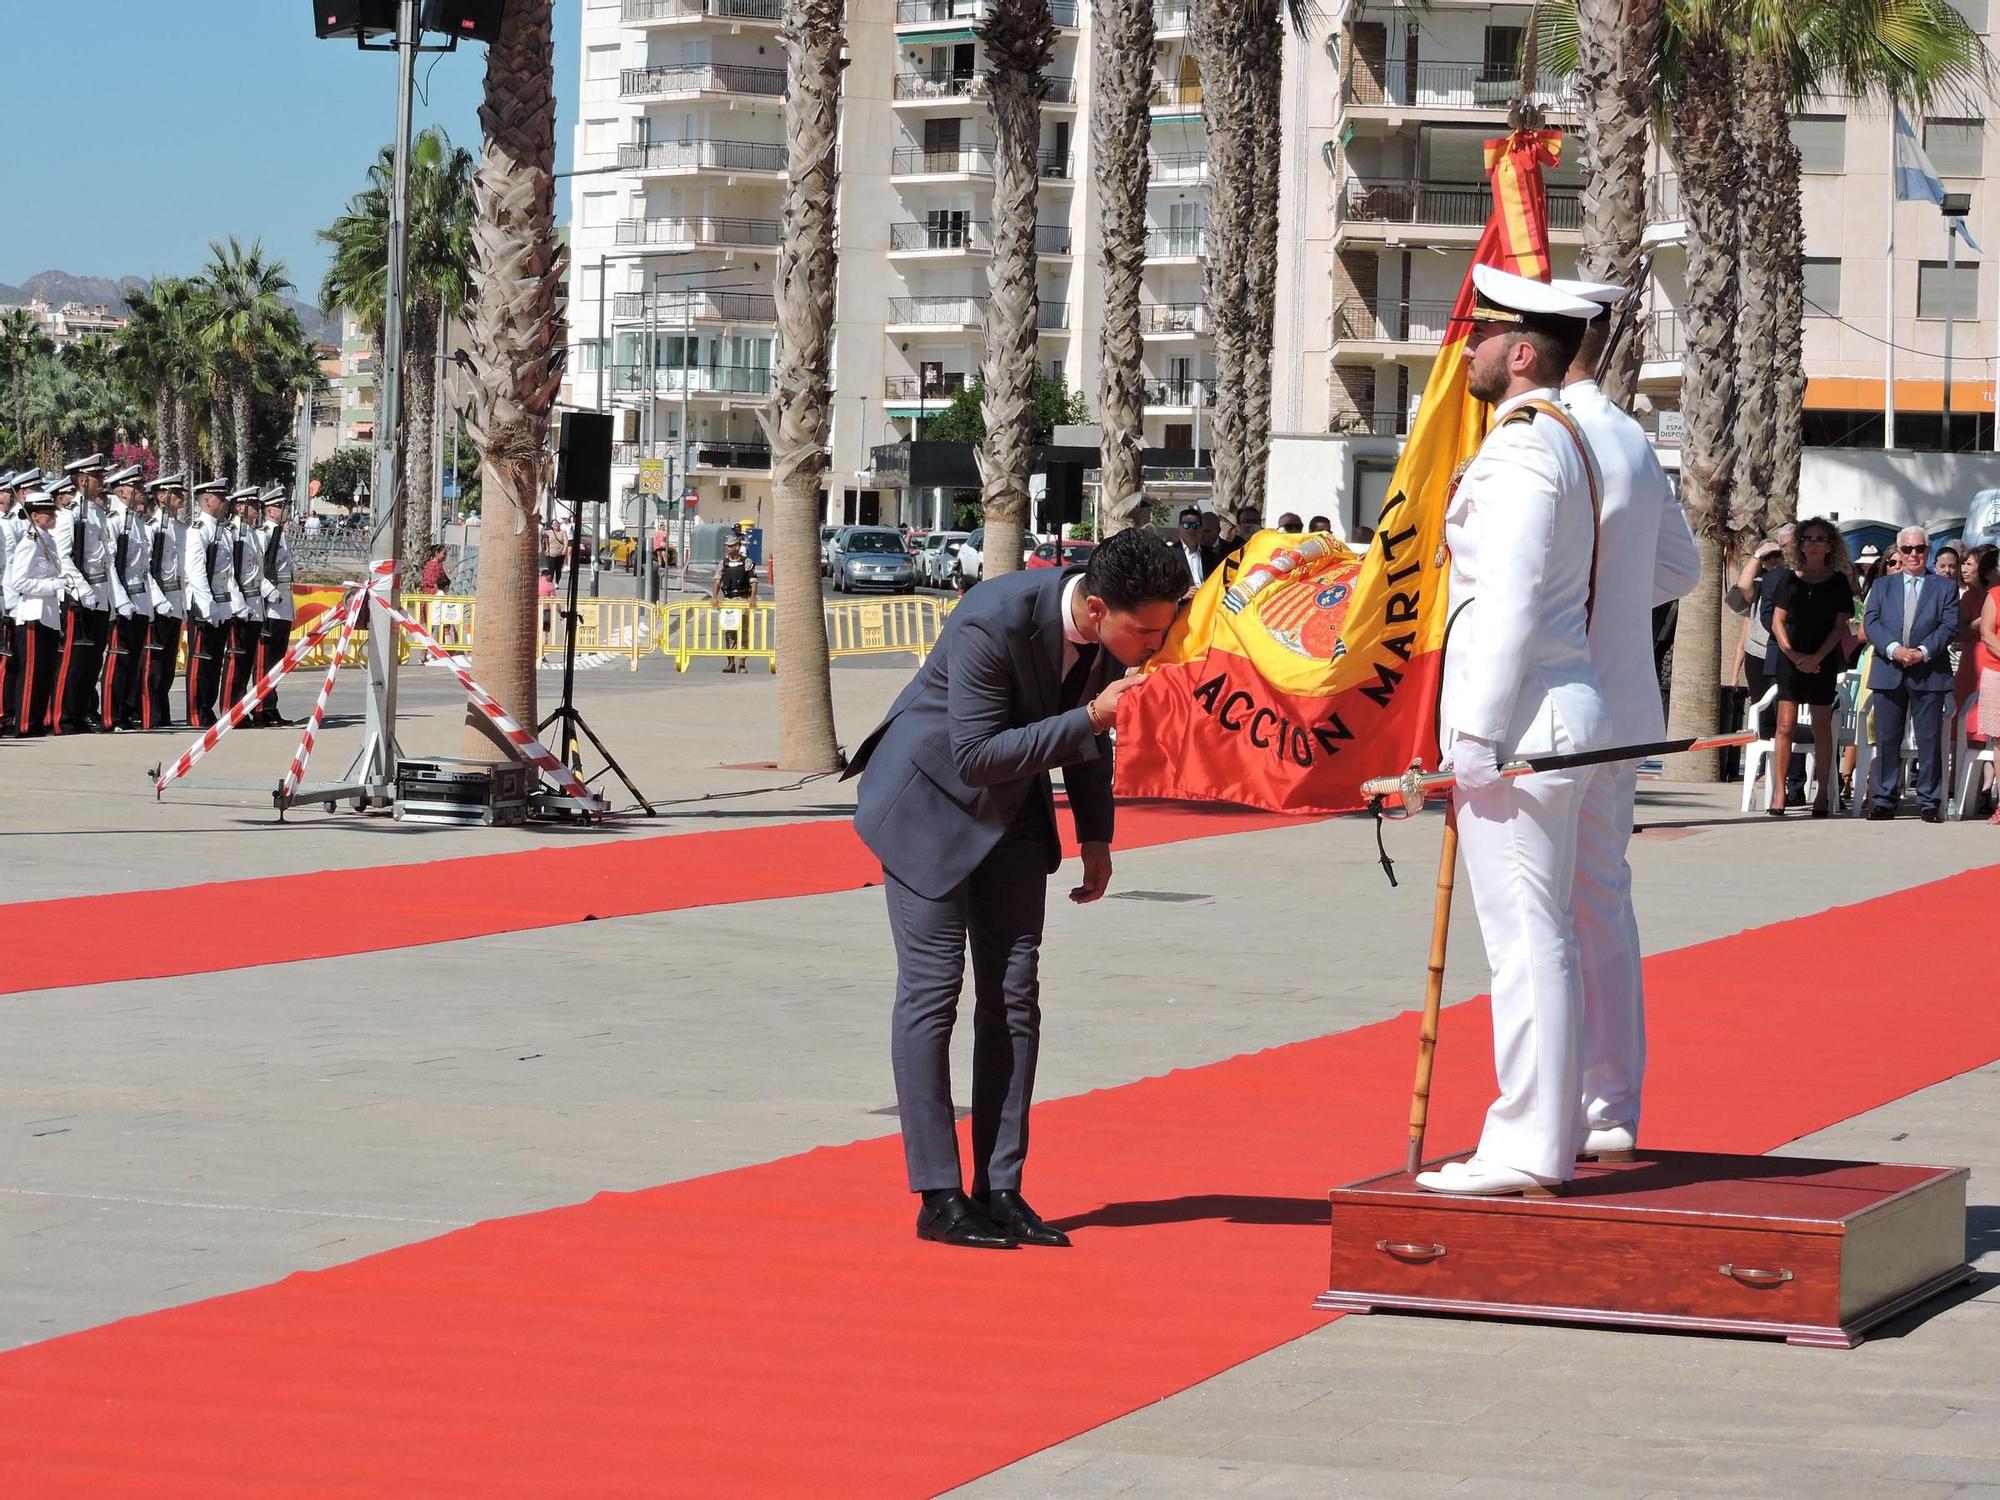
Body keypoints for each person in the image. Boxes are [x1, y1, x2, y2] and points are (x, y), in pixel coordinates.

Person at [844, 527, 1185, 1249]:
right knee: (933, 994)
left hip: (1014, 818)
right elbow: (974, 756)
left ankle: (1001, 1189)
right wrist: (1092, 716)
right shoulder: (989, 621)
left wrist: (1097, 835)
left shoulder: (1104, 638)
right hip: (928, 809)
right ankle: (939, 1196)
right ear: (1097, 609)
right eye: (1147, 630)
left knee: (1013, 999)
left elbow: (1092, 742)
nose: (1157, 644)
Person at [1414, 265, 1609, 1199]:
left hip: (1525, 717)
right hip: (1546, 709)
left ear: (1522, 352)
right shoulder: (1547, 440)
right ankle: (1549, 1126)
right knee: (1545, 935)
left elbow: (1514, 600)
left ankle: (1529, 1143)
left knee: (1526, 940)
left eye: (1481, 333)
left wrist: (1475, 735)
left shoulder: (1529, 449)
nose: (1469, 346)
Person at [1553, 277, 1701, 1161]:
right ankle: (1610, 1104)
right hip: (1624, 707)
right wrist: (1611, 606)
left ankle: (1553, 1116)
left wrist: (1582, 603)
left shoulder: (1545, 435)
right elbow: (1678, 569)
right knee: (1603, 905)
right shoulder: (1629, 436)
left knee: (1541, 918)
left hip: (1553, 711)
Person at [1862, 525, 1959, 821]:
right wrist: (1894, 649)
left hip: (1929, 670)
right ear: (1899, 552)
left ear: (1928, 551)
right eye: (1907, 549)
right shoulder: (1882, 586)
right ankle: (1883, 800)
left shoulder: (1944, 586)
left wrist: (1921, 652)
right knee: (1887, 739)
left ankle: (1929, 802)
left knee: (1929, 740)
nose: (1914, 554)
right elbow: (1872, 623)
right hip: (1889, 668)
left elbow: (1949, 626)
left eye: (1919, 549)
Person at [1767, 519, 1856, 816]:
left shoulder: (1838, 581)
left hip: (1823, 660)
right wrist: (1793, 655)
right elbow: (1776, 621)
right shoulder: (1788, 579)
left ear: (1829, 544)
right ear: (1799, 544)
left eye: (1819, 538)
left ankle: (1822, 794)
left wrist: (1817, 657)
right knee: (1785, 725)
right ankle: (1779, 792)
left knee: (1821, 727)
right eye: (1807, 538)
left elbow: (1840, 625)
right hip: (1791, 660)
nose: (1813, 543)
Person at [51, 455, 116, 734]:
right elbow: (63, 559)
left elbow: (107, 558)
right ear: (81, 480)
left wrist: (109, 597)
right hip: (80, 595)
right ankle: (64, 717)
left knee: (93, 660)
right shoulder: (69, 516)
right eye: (97, 477)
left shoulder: (98, 514)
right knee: (74, 660)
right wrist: (83, 590)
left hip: (100, 593)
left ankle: (80, 713)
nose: (101, 481)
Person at [7, 487, 65, 736]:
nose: (52, 516)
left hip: (49, 613)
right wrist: (53, 585)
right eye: (47, 512)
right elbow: (19, 581)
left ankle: (37, 720)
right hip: (32, 611)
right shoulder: (30, 542)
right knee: (31, 671)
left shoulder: (46, 539)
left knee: (45, 670)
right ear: (34, 515)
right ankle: (24, 724)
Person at [101, 465, 153, 731]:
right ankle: (111, 714)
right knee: (118, 660)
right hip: (123, 597)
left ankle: (125, 711)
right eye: (136, 488)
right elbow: (110, 564)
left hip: (140, 597)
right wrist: (120, 599)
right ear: (121, 491)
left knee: (133, 660)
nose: (141, 492)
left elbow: (143, 566)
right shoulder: (113, 520)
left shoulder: (136, 521)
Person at [183, 479, 238, 728]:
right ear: (206, 501)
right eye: (220, 498)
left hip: (222, 604)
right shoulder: (198, 530)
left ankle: (207, 708)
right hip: (205, 605)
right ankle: (196, 712)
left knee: (215, 661)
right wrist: (208, 607)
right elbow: (196, 573)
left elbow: (228, 573)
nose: (225, 503)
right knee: (201, 661)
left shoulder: (222, 531)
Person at [142, 474, 189, 731]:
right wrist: (158, 601)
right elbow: (145, 569)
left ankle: (163, 711)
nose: (181, 498)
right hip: (158, 601)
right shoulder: (151, 527)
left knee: (168, 664)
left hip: (175, 600)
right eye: (175, 493)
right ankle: (151, 714)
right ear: (161, 496)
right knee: (154, 664)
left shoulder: (179, 529)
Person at [253, 490, 297, 726]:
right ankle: (260, 707)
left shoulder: (281, 535)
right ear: (269, 511)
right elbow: (257, 570)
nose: (284, 510)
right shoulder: (264, 535)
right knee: (265, 660)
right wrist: (268, 592)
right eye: (280, 506)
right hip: (270, 604)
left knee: (277, 660)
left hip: (283, 601)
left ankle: (271, 705)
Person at [221, 488, 264, 711]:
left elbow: (257, 571)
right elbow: (230, 573)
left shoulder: (253, 533)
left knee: (246, 662)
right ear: (239, 507)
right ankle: (230, 708)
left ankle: (240, 708)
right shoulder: (232, 532)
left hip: (255, 602)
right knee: (236, 660)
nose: (257, 509)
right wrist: (238, 604)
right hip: (241, 602)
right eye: (253, 505)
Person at [711, 529, 757, 672]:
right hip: (728, 600)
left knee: (744, 631)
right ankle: (730, 663)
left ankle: (742, 663)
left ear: (737, 546)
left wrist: (753, 597)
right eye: (727, 546)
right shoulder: (723, 563)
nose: (728, 548)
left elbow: (753, 581)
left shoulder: (746, 562)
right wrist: (714, 597)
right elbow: (717, 580)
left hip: (742, 599)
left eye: (730, 546)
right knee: (730, 631)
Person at [1172, 506, 1208, 588]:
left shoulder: (1210, 555)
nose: (1192, 529)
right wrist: (1182, 596)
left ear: (1201, 528)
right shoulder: (1170, 554)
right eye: (1186, 525)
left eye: (1196, 525)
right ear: (1179, 527)